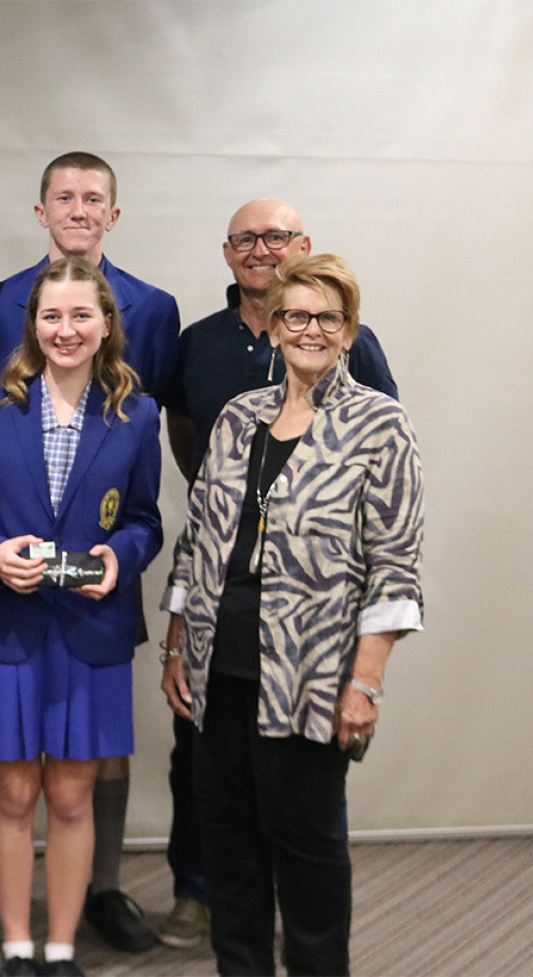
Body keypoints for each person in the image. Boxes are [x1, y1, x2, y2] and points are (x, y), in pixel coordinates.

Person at [160, 253, 423, 976]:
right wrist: (176, 645)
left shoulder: (379, 423)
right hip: (220, 671)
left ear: (348, 331)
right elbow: (200, 536)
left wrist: (364, 684)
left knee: (307, 865)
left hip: (311, 679)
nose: (311, 330)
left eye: (328, 318)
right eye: (296, 315)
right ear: (274, 327)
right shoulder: (239, 417)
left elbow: (396, 565)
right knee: (231, 857)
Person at [0, 150, 178, 952]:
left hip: (92, 604)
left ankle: (92, 903)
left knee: (79, 780)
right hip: (9, 601)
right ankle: (14, 925)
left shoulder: (149, 331)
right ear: (43, 209)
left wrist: (120, 559)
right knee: (11, 778)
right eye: (65, 195)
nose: (80, 209)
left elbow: (140, 502)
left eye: (95, 197)